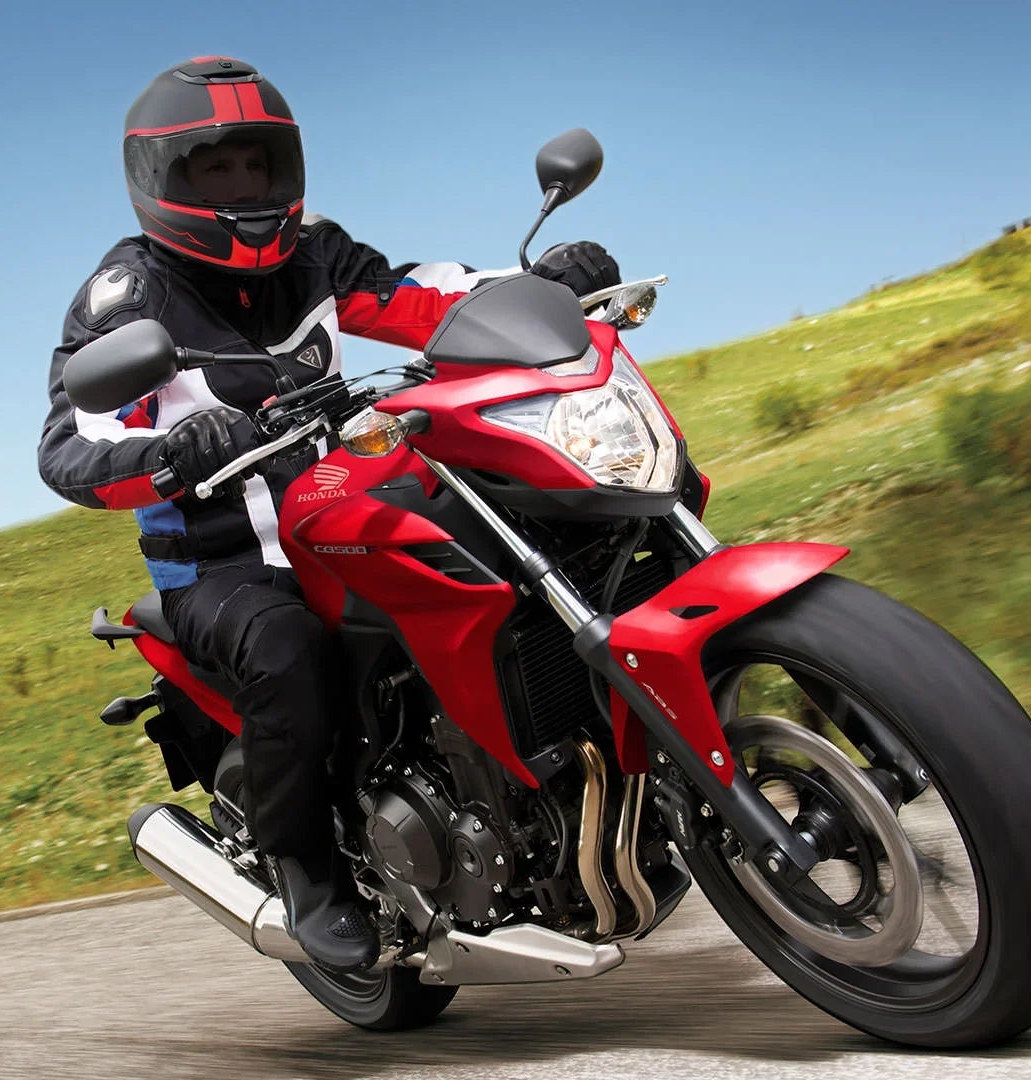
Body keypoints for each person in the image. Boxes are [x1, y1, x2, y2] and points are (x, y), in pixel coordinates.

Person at [37, 57, 619, 971]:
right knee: (287, 652)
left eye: (257, 166)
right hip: (226, 566)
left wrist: (537, 281)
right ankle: (306, 868)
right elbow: (68, 449)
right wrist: (169, 457)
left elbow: (420, 296)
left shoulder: (314, 251)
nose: (245, 189)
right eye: (215, 170)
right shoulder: (128, 297)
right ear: (165, 183)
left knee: (515, 548)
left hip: (342, 507)